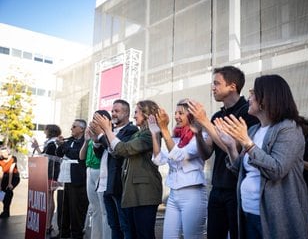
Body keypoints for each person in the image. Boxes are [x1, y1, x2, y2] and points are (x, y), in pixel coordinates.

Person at [213, 74, 308, 238]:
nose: (249, 98)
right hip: (248, 213)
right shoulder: (254, 130)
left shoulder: (289, 129)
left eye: (252, 93)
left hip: (275, 218)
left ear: (266, 99)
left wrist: (245, 141)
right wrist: (231, 147)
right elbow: (240, 172)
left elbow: (276, 170)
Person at [187, 66, 258, 239]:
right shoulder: (217, 116)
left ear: (232, 86)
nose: (213, 88)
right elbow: (206, 153)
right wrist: (197, 133)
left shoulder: (247, 112)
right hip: (218, 187)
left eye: (217, 83)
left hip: (237, 187)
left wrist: (205, 121)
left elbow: (233, 148)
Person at [94, 100, 162, 239]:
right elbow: (118, 150)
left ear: (146, 114)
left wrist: (106, 130)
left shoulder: (150, 134)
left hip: (145, 193)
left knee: (144, 234)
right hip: (133, 192)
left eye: (136, 112)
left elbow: (123, 149)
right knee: (135, 233)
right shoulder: (138, 134)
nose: (134, 116)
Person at [148, 99, 207, 238]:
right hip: (174, 194)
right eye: (175, 113)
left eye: (181, 113)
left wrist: (164, 130)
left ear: (191, 116)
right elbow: (158, 159)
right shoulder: (175, 137)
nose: (176, 117)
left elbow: (178, 156)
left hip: (193, 193)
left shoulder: (200, 136)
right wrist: (155, 134)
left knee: (192, 236)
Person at [91, 100, 138, 239]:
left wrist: (102, 135)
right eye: (112, 111)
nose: (113, 114)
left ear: (127, 113)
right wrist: (95, 140)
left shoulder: (131, 131)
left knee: (125, 225)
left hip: (119, 184)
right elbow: (101, 155)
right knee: (113, 225)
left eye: (117, 111)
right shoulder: (110, 130)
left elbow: (117, 152)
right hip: (106, 184)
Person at [79, 110, 111, 239]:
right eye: (93, 119)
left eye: (96, 119)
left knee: (105, 211)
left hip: (102, 172)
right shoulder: (91, 135)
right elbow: (81, 157)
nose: (93, 122)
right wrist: (87, 141)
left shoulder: (107, 135)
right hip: (90, 170)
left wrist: (99, 137)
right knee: (95, 209)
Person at [54, 119, 88, 239]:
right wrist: (60, 145)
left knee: (76, 209)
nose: (71, 128)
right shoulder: (70, 140)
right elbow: (59, 153)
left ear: (82, 129)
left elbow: (77, 155)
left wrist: (64, 147)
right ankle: (63, 232)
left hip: (77, 179)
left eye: (74, 127)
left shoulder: (85, 141)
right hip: (64, 177)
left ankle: (76, 234)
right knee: (63, 207)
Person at [31, 124, 62, 234]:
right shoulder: (53, 142)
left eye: (46, 130)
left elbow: (46, 157)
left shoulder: (53, 143)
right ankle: (48, 224)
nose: (44, 132)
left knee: (49, 198)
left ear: (50, 131)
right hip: (51, 172)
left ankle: (48, 224)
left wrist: (37, 148)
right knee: (50, 197)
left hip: (51, 173)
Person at [0, 146, 20, 218]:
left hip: (14, 177)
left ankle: (6, 212)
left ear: (8, 152)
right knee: (2, 192)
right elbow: (1, 172)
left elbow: (11, 171)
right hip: (5, 176)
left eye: (5, 152)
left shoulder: (13, 158)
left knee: (8, 191)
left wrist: (9, 184)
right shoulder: (0, 160)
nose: (3, 154)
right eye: (2, 153)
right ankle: (6, 211)